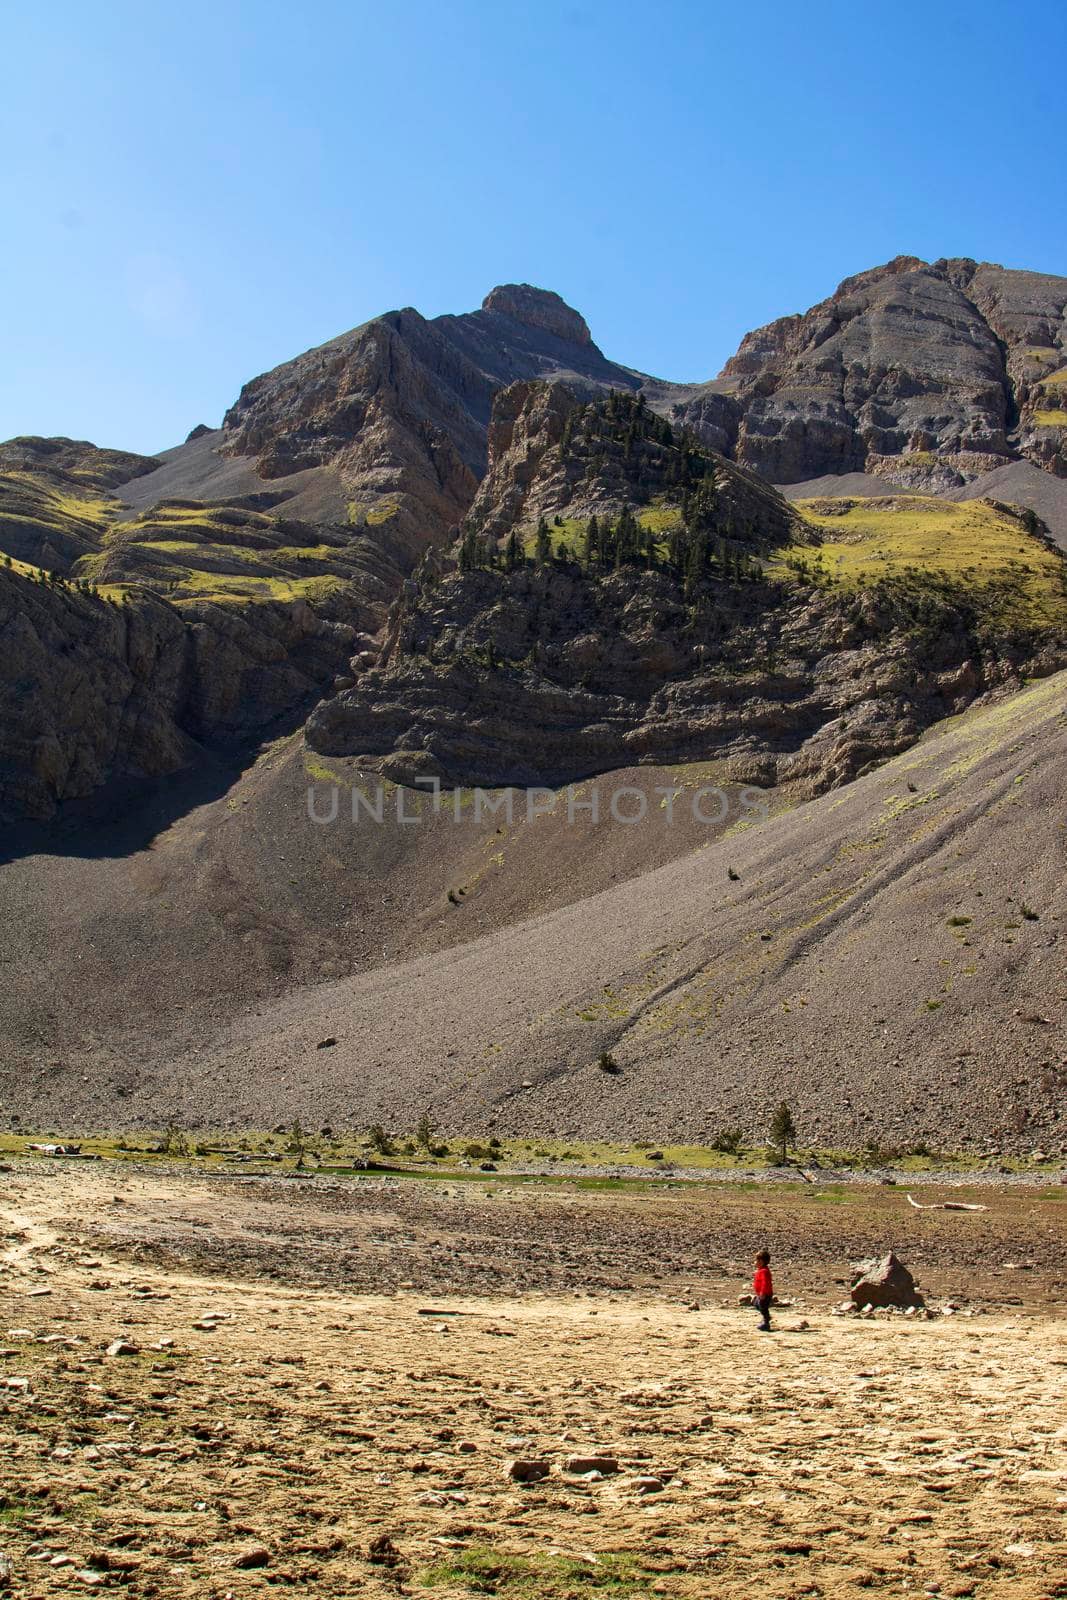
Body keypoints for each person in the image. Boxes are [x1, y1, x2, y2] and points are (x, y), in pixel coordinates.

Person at [752, 1249, 773, 1331]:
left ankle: (766, 1322)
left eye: (756, 1260)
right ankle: (766, 1318)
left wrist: (762, 1293)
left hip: (765, 1294)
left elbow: (765, 1283)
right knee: (756, 1304)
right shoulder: (761, 1271)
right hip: (761, 1294)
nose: (755, 1262)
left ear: (761, 1261)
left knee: (763, 1307)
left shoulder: (764, 1271)